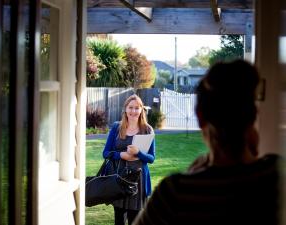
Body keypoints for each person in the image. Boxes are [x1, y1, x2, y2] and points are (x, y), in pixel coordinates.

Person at [132, 60, 281, 225]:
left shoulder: (175, 192)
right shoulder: (277, 173)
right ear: (254, 115)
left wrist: (192, 175)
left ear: (200, 116)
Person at [102, 94, 155, 225]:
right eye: (130, 107)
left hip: (138, 180)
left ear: (141, 109)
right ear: (125, 109)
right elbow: (106, 153)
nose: (133, 111)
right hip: (118, 178)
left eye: (137, 108)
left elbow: (151, 158)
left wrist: (139, 153)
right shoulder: (116, 127)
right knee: (119, 219)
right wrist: (121, 155)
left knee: (134, 219)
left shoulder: (147, 130)